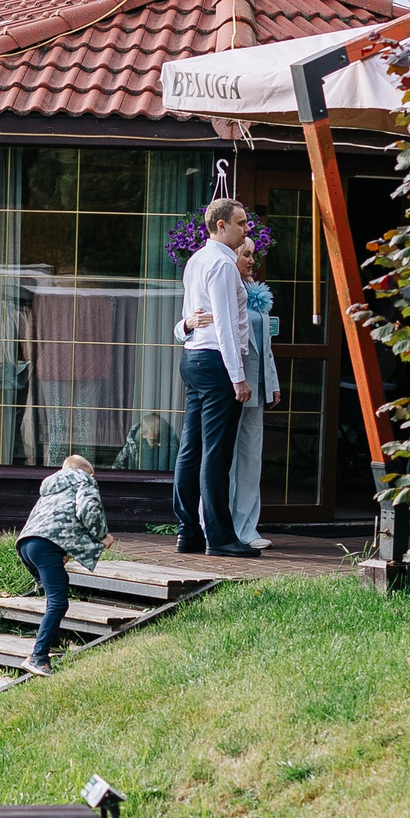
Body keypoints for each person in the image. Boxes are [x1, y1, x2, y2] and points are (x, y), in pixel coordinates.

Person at [172, 198, 254, 556]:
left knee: (191, 450)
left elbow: (190, 317)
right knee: (215, 454)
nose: (246, 229)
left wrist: (184, 331)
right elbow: (223, 324)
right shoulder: (222, 266)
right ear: (220, 225)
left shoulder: (196, 261)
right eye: (240, 223)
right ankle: (220, 537)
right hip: (217, 361)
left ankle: (188, 532)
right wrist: (238, 377)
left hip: (193, 359)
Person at [15, 453, 110, 672]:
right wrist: (103, 535)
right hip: (45, 546)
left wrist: (61, 549)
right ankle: (38, 657)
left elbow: (56, 520)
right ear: (91, 472)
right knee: (58, 602)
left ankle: (53, 641)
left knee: (57, 590)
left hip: (25, 545)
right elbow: (88, 510)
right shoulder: (85, 480)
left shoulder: (51, 488)